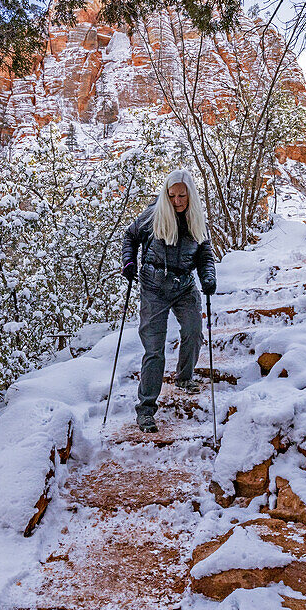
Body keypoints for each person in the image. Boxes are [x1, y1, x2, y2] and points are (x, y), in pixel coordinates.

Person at [121, 169, 216, 433]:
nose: (176, 200)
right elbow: (130, 236)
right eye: (172, 195)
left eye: (182, 195)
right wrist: (129, 262)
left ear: (190, 195)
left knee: (194, 331)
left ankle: (184, 378)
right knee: (154, 349)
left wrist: (208, 277)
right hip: (154, 286)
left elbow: (205, 254)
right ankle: (146, 410)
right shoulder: (154, 214)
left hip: (184, 285)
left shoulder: (197, 219)